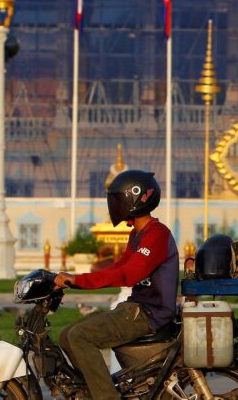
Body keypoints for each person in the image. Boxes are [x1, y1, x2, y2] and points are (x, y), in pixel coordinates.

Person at [55, 170, 179, 400]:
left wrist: (78, 280)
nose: (116, 205)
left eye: (119, 200)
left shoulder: (157, 234)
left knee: (80, 336)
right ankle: (91, 391)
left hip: (150, 314)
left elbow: (128, 275)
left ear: (136, 199)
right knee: (66, 334)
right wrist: (75, 279)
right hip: (135, 308)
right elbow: (117, 268)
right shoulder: (138, 234)